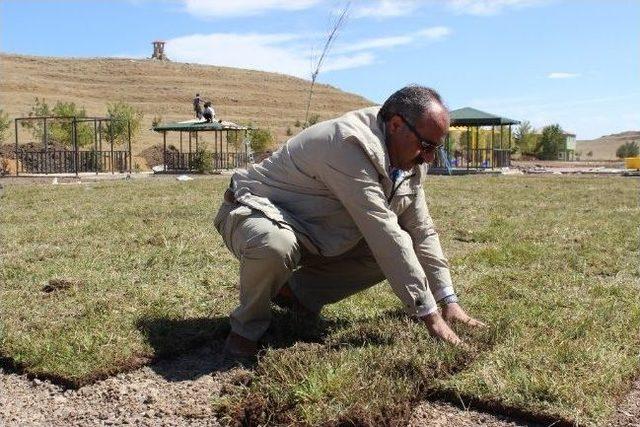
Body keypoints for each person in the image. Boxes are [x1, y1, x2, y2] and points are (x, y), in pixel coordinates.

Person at [214, 85, 485, 359]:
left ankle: (293, 294)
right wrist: (431, 317)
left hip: (317, 231)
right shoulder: (346, 143)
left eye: (436, 148)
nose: (429, 158)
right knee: (275, 245)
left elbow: (421, 232)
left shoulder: (412, 159)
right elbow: (383, 230)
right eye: (426, 146)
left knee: (402, 245)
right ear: (395, 125)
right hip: (259, 212)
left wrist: (448, 301)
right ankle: (246, 330)